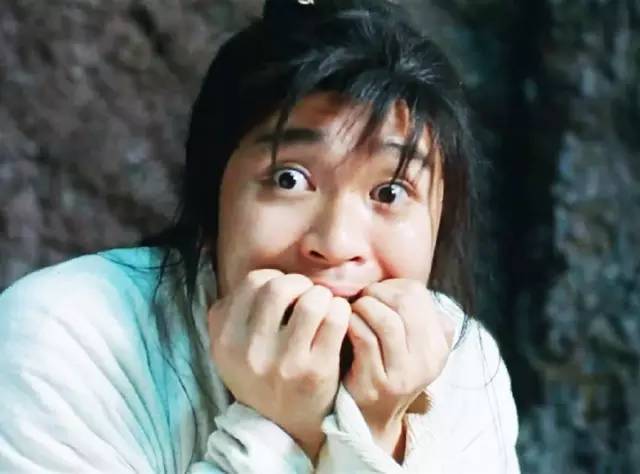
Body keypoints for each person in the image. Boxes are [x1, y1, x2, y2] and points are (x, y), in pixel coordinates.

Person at [0, 0, 520, 472]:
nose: (336, 244)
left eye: (389, 192)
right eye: (289, 179)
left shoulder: (463, 367)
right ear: (212, 200)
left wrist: (378, 432)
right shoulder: (61, 341)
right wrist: (277, 431)